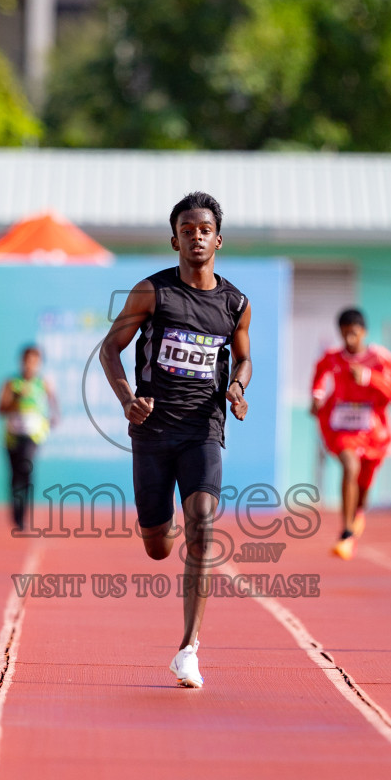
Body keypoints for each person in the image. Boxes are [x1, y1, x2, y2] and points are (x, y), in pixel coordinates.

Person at [100, 191, 251, 689]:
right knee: (158, 548)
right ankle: (160, 530)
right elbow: (110, 351)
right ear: (175, 239)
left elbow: (244, 359)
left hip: (203, 429)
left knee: (204, 524)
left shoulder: (235, 303)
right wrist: (128, 401)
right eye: (187, 230)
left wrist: (237, 385)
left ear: (218, 239)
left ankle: (189, 649)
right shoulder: (152, 293)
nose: (196, 237)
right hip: (153, 431)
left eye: (204, 229)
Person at [311, 308, 391, 560]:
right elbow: (319, 377)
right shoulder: (332, 358)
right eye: (344, 335)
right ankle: (346, 532)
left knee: (364, 485)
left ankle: (358, 515)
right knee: (349, 466)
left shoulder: (380, 359)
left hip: (373, 432)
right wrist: (317, 397)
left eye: (354, 334)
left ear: (364, 332)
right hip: (344, 429)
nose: (350, 340)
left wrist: (368, 377)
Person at [0, 345, 60, 532]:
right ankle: (16, 514)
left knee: (26, 469)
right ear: (21, 362)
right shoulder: (11, 383)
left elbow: (54, 404)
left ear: (39, 363)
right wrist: (16, 400)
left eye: (35, 361)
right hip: (12, 437)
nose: (30, 365)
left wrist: (54, 416)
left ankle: (23, 515)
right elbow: (0, 409)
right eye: (27, 360)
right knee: (15, 476)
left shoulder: (43, 383)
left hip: (33, 436)